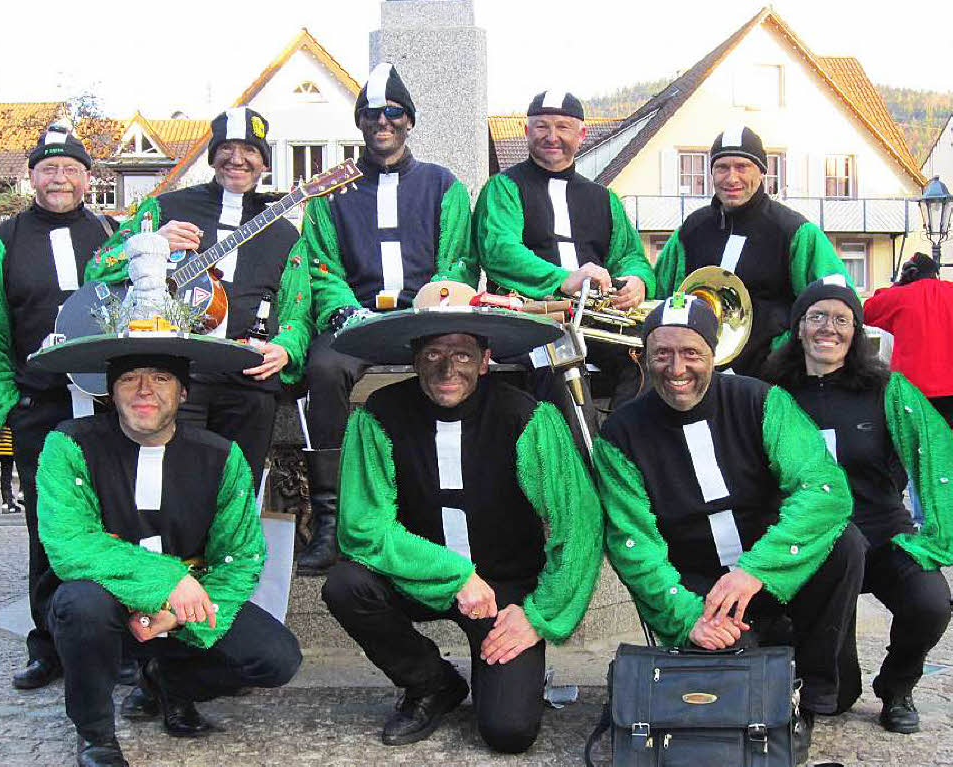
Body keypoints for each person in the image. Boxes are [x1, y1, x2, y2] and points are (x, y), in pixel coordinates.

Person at [321, 291, 602, 753]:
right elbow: (363, 528)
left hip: (505, 589)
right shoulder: (380, 417)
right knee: (346, 584)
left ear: (485, 360)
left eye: (462, 354)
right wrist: (456, 575)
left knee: (509, 732)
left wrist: (538, 617)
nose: (447, 368)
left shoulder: (527, 417)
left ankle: (505, 675)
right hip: (416, 578)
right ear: (414, 358)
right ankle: (431, 683)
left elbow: (579, 525)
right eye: (432, 353)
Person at [592, 293, 865, 765]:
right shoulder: (622, 432)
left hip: (774, 564)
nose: (677, 368)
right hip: (698, 584)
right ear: (643, 357)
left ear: (713, 355)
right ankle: (765, 655)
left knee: (846, 544)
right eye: (662, 353)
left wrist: (758, 568)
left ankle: (816, 688)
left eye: (691, 353)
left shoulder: (759, 400)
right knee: (724, 683)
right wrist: (688, 618)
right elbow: (632, 543)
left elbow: (825, 489)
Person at [31, 328, 302, 767]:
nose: (144, 391)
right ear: (111, 392)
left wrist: (174, 610)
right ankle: (95, 734)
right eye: (129, 379)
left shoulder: (220, 455)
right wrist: (167, 581)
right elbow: (70, 543)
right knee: (79, 604)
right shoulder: (69, 444)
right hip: (106, 600)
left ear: (182, 393)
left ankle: (170, 681)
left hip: (186, 604)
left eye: (160, 378)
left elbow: (242, 558)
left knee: (276, 659)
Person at [287, 62, 477, 575]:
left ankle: (439, 508)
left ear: (409, 120)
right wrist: (347, 310)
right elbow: (321, 264)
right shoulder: (331, 193)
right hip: (356, 319)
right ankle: (329, 517)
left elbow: (457, 258)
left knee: (457, 368)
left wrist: (433, 303)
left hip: (426, 317)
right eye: (371, 114)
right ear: (360, 124)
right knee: (323, 370)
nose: (382, 122)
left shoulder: (442, 185)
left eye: (393, 112)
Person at [0, 121, 119, 690]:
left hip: (106, 407)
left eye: (72, 169)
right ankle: (48, 646)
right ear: (31, 177)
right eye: (49, 169)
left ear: (86, 179)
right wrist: (7, 402)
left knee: (114, 521)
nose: (60, 179)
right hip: (40, 405)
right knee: (48, 527)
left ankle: (114, 640)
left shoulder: (108, 234)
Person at [763, 277, 953, 734]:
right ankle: (820, 677)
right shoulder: (771, 395)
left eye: (842, 319)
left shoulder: (888, 390)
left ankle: (898, 686)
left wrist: (932, 536)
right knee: (838, 696)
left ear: (856, 330)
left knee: (931, 603)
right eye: (817, 317)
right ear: (799, 328)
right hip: (815, 550)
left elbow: (936, 452)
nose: (829, 328)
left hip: (883, 535)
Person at [86, 107, 307, 488]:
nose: (237, 159)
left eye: (249, 151)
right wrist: (150, 243)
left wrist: (286, 347)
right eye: (227, 148)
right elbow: (98, 268)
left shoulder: (285, 233)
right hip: (175, 374)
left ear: (264, 162)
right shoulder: (166, 209)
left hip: (248, 382)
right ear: (212, 155)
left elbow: (298, 310)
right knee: (172, 486)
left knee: (238, 490)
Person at [473, 90, 654, 415]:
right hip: (532, 319)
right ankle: (574, 462)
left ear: (582, 134)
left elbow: (630, 257)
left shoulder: (604, 198)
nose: (552, 136)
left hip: (598, 320)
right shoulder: (503, 188)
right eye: (541, 127)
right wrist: (565, 280)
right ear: (526, 131)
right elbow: (500, 252)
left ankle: (619, 451)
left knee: (652, 356)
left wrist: (638, 281)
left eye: (563, 127)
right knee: (562, 364)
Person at [653, 125, 853, 376]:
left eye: (742, 167)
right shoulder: (692, 230)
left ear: (762, 172)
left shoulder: (795, 232)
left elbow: (839, 301)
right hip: (696, 375)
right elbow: (659, 290)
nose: (731, 178)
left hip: (772, 377)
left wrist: (782, 352)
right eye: (722, 167)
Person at [864, 252, 953, 428]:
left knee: (918, 448)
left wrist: (898, 284)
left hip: (913, 390)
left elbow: (867, 312)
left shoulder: (901, 296)